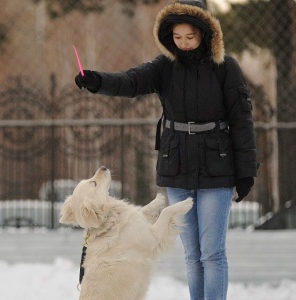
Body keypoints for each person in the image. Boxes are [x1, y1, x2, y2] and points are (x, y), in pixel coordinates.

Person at [75, 1, 259, 299]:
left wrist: (246, 171)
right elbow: (130, 81)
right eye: (177, 37)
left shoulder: (226, 67)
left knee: (212, 253)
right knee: (192, 254)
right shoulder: (165, 67)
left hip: (217, 165)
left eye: (190, 37)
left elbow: (242, 120)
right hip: (177, 165)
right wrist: (97, 81)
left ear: (206, 33)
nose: (184, 44)